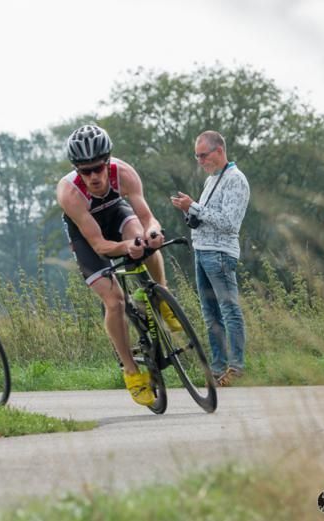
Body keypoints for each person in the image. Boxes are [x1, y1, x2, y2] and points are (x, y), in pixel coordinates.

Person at [56, 124, 181, 407]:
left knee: (146, 241)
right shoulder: (69, 193)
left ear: (108, 161)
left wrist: (152, 234)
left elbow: (149, 218)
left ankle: (162, 297)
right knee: (115, 302)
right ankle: (131, 371)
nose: (93, 176)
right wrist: (126, 248)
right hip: (88, 238)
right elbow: (100, 246)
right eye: (84, 171)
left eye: (98, 168)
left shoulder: (124, 173)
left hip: (116, 214)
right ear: (76, 169)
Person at [171, 131, 250, 386]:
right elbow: (206, 217)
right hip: (202, 251)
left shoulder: (235, 180)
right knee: (210, 314)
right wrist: (190, 211)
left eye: (203, 155)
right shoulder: (212, 180)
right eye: (197, 156)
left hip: (221, 254)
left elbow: (229, 223)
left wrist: (193, 207)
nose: (200, 161)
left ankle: (236, 368)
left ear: (219, 151)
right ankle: (217, 370)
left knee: (229, 311)